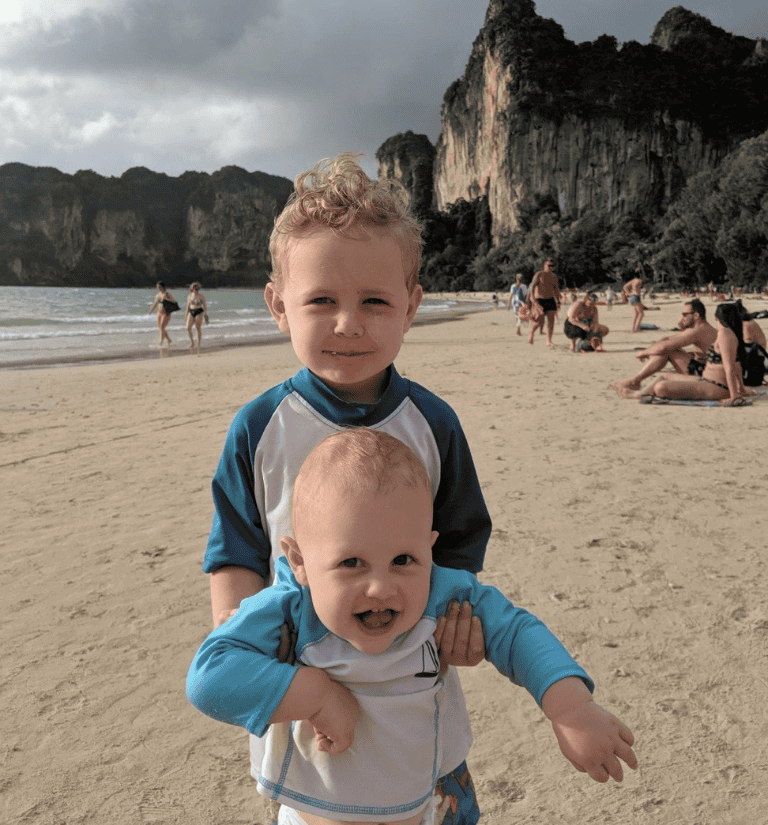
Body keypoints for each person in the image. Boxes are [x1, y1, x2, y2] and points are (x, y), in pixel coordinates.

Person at [203, 153, 492, 824]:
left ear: (411, 305)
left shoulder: (433, 425)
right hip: (304, 682)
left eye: (374, 302)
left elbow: (460, 537)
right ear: (279, 306)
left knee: (433, 800)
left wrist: (453, 621)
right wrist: (239, 638)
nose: (348, 323)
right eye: (322, 301)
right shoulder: (260, 427)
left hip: (412, 682)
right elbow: (236, 549)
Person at [188, 429, 638, 825]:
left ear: (429, 547)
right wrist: (317, 694)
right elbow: (209, 677)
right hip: (319, 810)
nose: (381, 586)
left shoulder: (442, 591)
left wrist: (571, 709)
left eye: (404, 560)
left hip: (427, 802)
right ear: (300, 561)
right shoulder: (286, 609)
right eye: (351, 563)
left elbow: (517, 633)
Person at [618, 303, 754, 405]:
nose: (683, 317)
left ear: (717, 318)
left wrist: (734, 396)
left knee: (661, 387)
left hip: (716, 386)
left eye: (685, 314)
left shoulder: (725, 335)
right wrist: (741, 388)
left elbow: (730, 367)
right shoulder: (726, 333)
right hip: (707, 380)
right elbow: (737, 364)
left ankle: (636, 393)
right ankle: (639, 393)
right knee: (663, 376)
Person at [609, 299, 717, 391]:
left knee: (668, 350)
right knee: (666, 348)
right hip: (705, 369)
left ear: (696, 315)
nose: (682, 317)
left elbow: (664, 347)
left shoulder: (697, 331)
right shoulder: (701, 328)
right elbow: (669, 339)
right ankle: (636, 380)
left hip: (703, 374)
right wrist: (652, 349)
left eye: (685, 314)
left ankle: (635, 380)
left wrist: (644, 352)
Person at [527, 258, 561, 347]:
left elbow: (556, 290)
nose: (551, 267)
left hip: (550, 300)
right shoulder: (539, 274)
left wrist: (558, 301)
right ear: (544, 266)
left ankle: (548, 341)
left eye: (552, 266)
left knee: (551, 321)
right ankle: (532, 332)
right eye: (549, 265)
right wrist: (533, 300)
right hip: (539, 300)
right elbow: (532, 287)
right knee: (539, 321)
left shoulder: (554, 277)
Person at [149, 280, 179, 347]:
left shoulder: (167, 294)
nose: (158, 288)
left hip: (166, 312)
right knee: (160, 327)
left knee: (162, 327)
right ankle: (163, 340)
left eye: (159, 287)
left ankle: (165, 340)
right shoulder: (157, 295)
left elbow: (174, 301)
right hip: (159, 312)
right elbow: (155, 303)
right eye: (157, 287)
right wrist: (151, 311)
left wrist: (166, 300)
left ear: (163, 287)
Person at [185, 282, 209, 352]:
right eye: (194, 287)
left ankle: (198, 343)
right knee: (188, 327)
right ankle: (192, 342)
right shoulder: (190, 296)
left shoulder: (201, 296)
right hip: (191, 311)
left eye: (196, 287)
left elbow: (205, 306)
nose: (195, 289)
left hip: (199, 311)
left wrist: (205, 316)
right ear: (191, 289)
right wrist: (186, 315)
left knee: (198, 327)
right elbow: (187, 306)